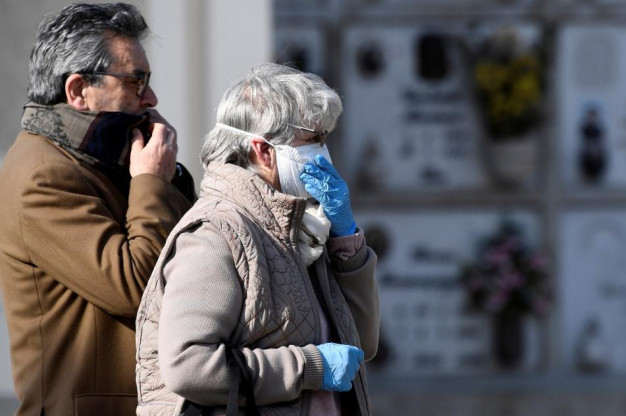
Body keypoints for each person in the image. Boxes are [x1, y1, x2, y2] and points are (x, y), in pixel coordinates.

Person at [136, 63, 380, 416]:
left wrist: (346, 240)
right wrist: (309, 367)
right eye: (313, 140)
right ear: (263, 151)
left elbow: (361, 343)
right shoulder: (215, 233)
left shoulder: (305, 228)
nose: (324, 152)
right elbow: (188, 366)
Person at [0, 3, 195, 416]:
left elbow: (194, 262)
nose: (152, 98)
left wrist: (165, 178)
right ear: (77, 91)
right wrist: (151, 183)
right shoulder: (41, 176)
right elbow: (138, 289)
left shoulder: (103, 159)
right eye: (135, 81)